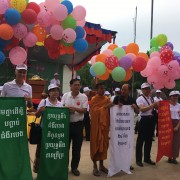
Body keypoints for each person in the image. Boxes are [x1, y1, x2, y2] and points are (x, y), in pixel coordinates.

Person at [33, 83, 63, 173]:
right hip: (44, 131)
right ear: (49, 92)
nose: (55, 92)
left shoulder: (60, 104)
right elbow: (37, 115)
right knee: (41, 151)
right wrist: (40, 110)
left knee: (52, 151)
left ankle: (51, 169)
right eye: (53, 91)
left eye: (57, 90)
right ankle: (38, 170)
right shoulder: (44, 102)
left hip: (55, 132)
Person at [61, 79, 88, 176]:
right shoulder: (65, 95)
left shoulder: (83, 96)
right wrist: (67, 110)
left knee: (77, 148)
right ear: (70, 86)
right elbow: (61, 107)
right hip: (66, 125)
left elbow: (84, 110)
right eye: (75, 85)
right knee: (65, 148)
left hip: (78, 125)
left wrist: (75, 109)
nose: (77, 87)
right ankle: (64, 167)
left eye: (79, 85)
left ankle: (74, 167)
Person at [113, 84, 139, 170]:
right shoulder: (117, 98)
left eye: (125, 90)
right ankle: (118, 163)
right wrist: (117, 106)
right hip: (118, 126)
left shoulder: (132, 99)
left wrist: (135, 107)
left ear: (129, 91)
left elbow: (138, 111)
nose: (123, 91)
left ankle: (127, 163)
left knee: (127, 145)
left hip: (128, 127)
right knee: (119, 145)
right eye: (122, 89)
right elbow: (111, 109)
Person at [90, 83, 112, 176]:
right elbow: (94, 112)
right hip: (96, 126)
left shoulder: (107, 99)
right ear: (96, 90)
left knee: (104, 144)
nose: (103, 90)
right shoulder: (94, 99)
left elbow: (110, 112)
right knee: (96, 144)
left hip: (104, 126)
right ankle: (95, 166)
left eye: (104, 88)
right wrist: (105, 107)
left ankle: (101, 165)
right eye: (101, 88)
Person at [135, 83, 159, 167]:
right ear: (142, 90)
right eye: (145, 89)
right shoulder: (140, 99)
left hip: (151, 120)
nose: (147, 90)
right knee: (140, 140)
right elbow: (142, 109)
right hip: (143, 120)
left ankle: (147, 158)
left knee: (149, 140)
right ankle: (138, 160)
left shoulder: (151, 98)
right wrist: (153, 105)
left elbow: (157, 107)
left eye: (148, 88)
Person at [168, 90, 180, 164]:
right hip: (168, 123)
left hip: (177, 123)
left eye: (176, 95)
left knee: (176, 142)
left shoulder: (179, 105)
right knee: (169, 141)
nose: (175, 97)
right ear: (170, 97)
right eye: (174, 95)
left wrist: (177, 126)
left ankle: (174, 158)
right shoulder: (167, 105)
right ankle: (169, 157)